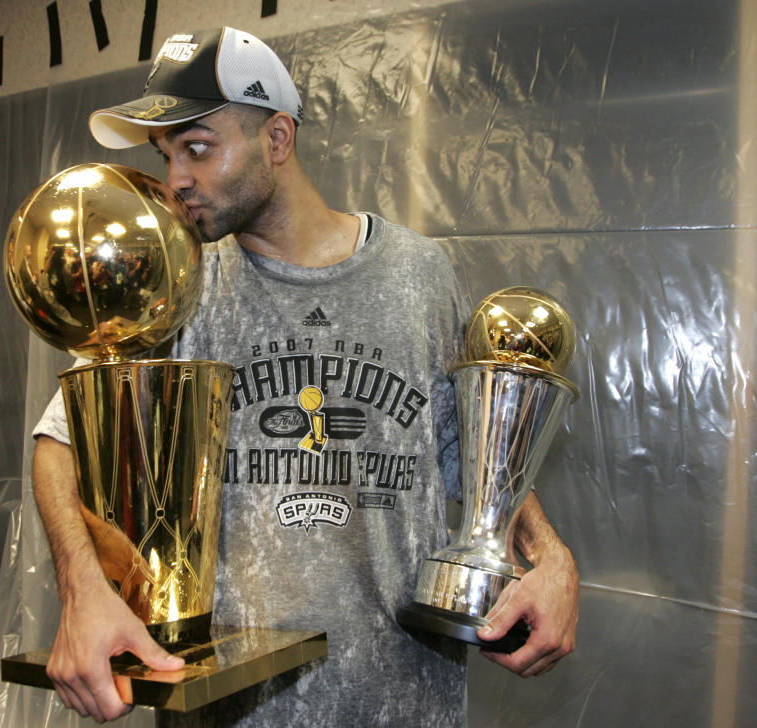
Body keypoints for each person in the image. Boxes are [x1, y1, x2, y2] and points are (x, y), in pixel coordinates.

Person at [31, 26, 579, 726]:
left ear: (278, 139)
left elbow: (476, 451)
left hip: (403, 701)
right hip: (228, 711)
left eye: (198, 147)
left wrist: (550, 556)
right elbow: (60, 444)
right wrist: (83, 588)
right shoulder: (170, 282)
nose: (175, 180)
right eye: (165, 154)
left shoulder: (418, 274)